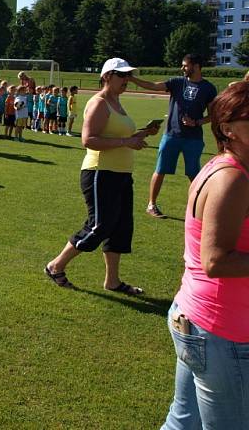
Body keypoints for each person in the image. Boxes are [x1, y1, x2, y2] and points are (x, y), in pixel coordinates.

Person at [160, 81, 249, 429]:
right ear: (228, 128)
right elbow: (216, 260)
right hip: (220, 330)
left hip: (199, 320)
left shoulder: (226, 167)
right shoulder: (232, 179)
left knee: (182, 423)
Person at [45, 58, 159, 294]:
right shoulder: (99, 103)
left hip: (122, 174)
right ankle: (56, 266)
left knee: (120, 227)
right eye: (122, 75)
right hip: (100, 172)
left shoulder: (117, 102)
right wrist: (127, 141)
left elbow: (119, 137)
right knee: (100, 225)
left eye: (128, 76)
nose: (126, 80)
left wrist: (142, 134)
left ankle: (113, 281)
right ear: (107, 76)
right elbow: (89, 140)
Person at [129, 53, 218, 219]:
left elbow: (214, 115)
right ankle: (152, 204)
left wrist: (197, 122)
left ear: (196, 66)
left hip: (193, 139)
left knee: (194, 174)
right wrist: (133, 80)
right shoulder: (177, 82)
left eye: (185, 65)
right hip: (171, 135)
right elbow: (154, 86)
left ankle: (198, 208)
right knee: (160, 170)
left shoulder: (209, 88)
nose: (182, 68)